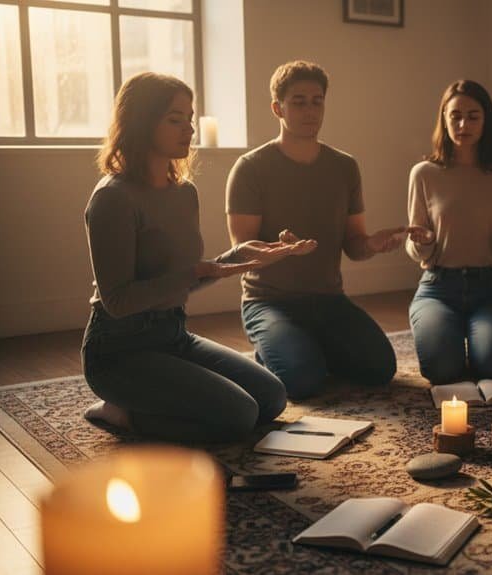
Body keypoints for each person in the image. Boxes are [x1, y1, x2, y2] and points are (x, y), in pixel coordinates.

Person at [82, 72, 290, 442]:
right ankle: (123, 413)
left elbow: (186, 276)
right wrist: (195, 272)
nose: (189, 129)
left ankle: (157, 402)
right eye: (175, 119)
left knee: (271, 397)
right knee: (240, 415)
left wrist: (241, 255)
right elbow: (117, 302)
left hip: (173, 336)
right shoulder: (113, 198)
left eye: (190, 118)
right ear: (142, 122)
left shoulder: (184, 192)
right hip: (118, 351)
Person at [227, 60, 401, 400]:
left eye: (317, 101)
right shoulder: (250, 168)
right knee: (303, 383)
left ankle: (307, 348)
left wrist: (373, 244)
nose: (310, 110)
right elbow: (241, 252)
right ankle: (286, 350)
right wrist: (281, 250)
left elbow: (355, 246)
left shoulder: (344, 166)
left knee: (380, 369)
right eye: (299, 101)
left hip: (328, 301)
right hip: (269, 302)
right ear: (278, 107)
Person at [405, 80, 492, 384]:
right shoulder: (423, 173)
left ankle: (479, 337)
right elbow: (415, 249)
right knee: (442, 372)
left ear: (486, 120)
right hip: (438, 288)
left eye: (473, 116)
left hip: (490, 288)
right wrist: (422, 242)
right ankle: (449, 333)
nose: (464, 124)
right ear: (444, 119)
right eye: (455, 116)